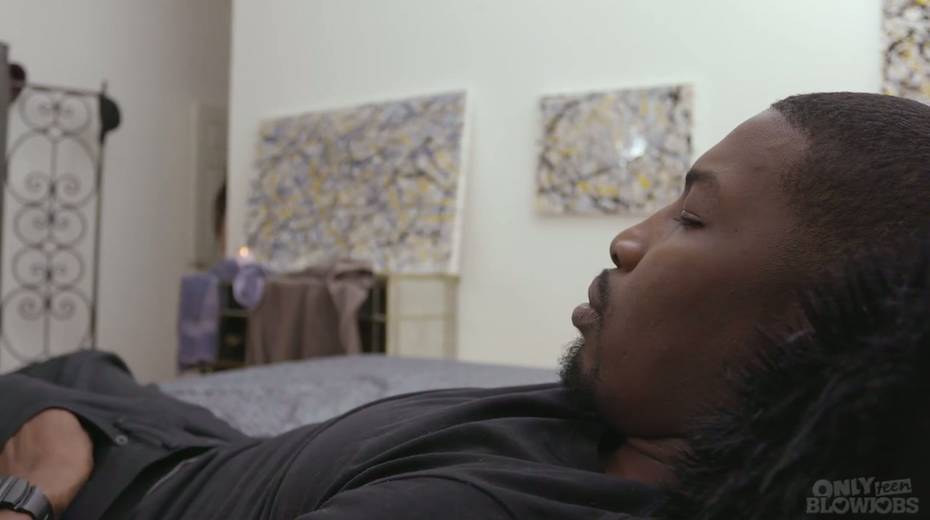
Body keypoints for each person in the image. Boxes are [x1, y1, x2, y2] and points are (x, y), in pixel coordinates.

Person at [2, 92, 930, 520]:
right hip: (196, 444)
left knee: (44, 390)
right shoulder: (628, 420)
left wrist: (34, 487)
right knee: (91, 370)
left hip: (104, 481)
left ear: (804, 337)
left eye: (691, 217)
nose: (628, 241)